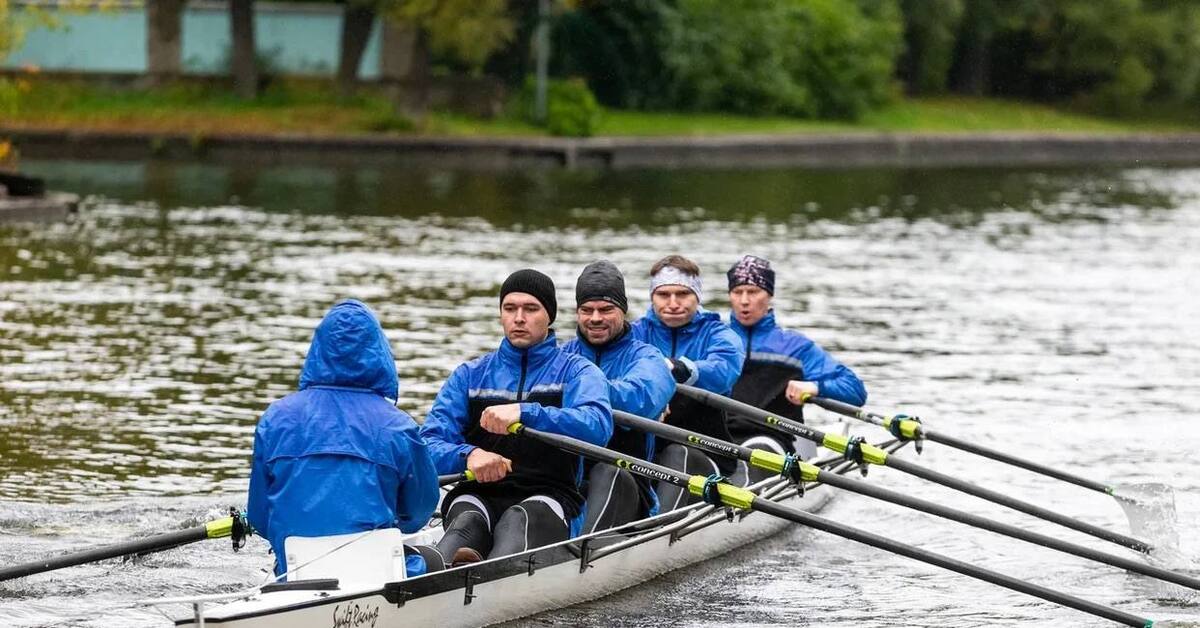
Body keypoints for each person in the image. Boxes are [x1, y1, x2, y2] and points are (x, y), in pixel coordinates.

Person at [419, 269, 612, 566]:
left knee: (516, 520)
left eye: (530, 309)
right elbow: (426, 445)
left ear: (549, 316)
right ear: (501, 315)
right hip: (476, 494)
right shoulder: (469, 375)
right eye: (510, 309)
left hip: (550, 497)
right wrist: (468, 455)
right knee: (467, 522)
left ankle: (477, 575)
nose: (519, 318)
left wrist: (526, 412)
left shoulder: (577, 371)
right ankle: (441, 576)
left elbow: (597, 425)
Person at [247, 299, 439, 578]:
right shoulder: (399, 427)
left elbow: (259, 517)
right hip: (374, 572)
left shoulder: (274, 419)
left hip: (296, 572)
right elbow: (418, 514)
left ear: (317, 351)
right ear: (378, 353)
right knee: (432, 560)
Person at [562, 260, 675, 533]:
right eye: (586, 310)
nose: (596, 318)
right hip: (565, 488)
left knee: (606, 470)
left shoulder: (648, 358)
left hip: (627, 484)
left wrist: (575, 391)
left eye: (606, 309)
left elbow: (637, 400)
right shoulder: (561, 355)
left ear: (623, 311)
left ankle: (575, 552)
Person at [726, 255, 867, 463]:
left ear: (769, 295)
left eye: (753, 292)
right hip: (719, 438)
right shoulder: (716, 339)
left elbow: (855, 391)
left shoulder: (794, 347)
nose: (744, 300)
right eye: (738, 292)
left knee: (758, 452)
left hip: (772, 442)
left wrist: (815, 387)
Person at [630, 255, 744, 510]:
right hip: (645, 454)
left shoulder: (720, 334)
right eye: (664, 295)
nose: (673, 303)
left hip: (707, 452)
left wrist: (676, 368)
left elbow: (724, 371)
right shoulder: (635, 333)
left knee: (676, 452)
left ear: (697, 296)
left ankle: (657, 532)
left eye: (682, 294)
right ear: (652, 297)